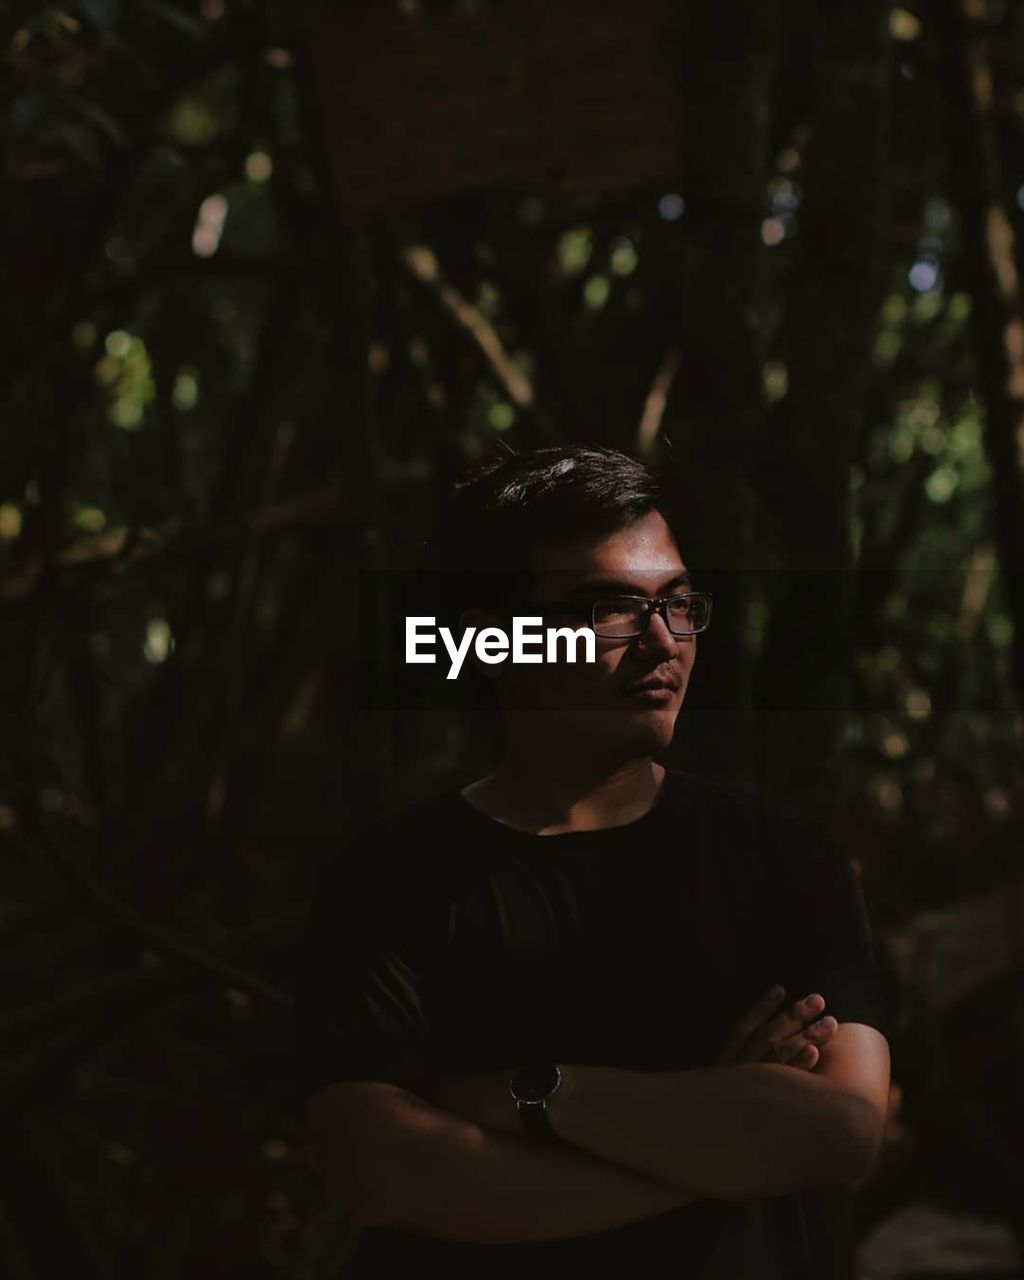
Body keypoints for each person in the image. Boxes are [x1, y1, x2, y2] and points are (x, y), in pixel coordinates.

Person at [292, 445, 892, 1279]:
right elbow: (380, 1173)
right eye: (609, 608)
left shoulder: (786, 860)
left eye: (679, 603)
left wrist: (533, 1096)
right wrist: (721, 1144)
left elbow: (839, 1131)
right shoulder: (390, 882)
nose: (662, 640)